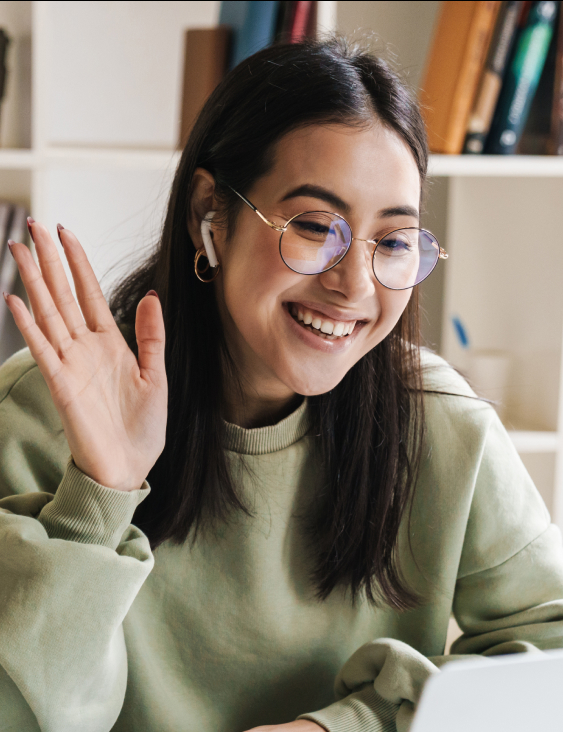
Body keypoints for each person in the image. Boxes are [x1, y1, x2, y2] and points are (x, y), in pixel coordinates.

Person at [0, 38, 562, 732]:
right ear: (211, 213)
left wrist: (349, 726)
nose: (352, 286)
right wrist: (100, 492)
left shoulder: (440, 422)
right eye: (313, 226)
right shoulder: (39, 411)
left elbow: (550, 655)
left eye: (391, 241)